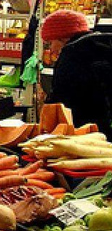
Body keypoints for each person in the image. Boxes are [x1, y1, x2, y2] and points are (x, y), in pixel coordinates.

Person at [42, 10, 112, 138]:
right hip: (105, 132)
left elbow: (60, 101)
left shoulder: (71, 54)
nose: (51, 49)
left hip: (81, 134)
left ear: (63, 37)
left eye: (50, 42)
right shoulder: (104, 46)